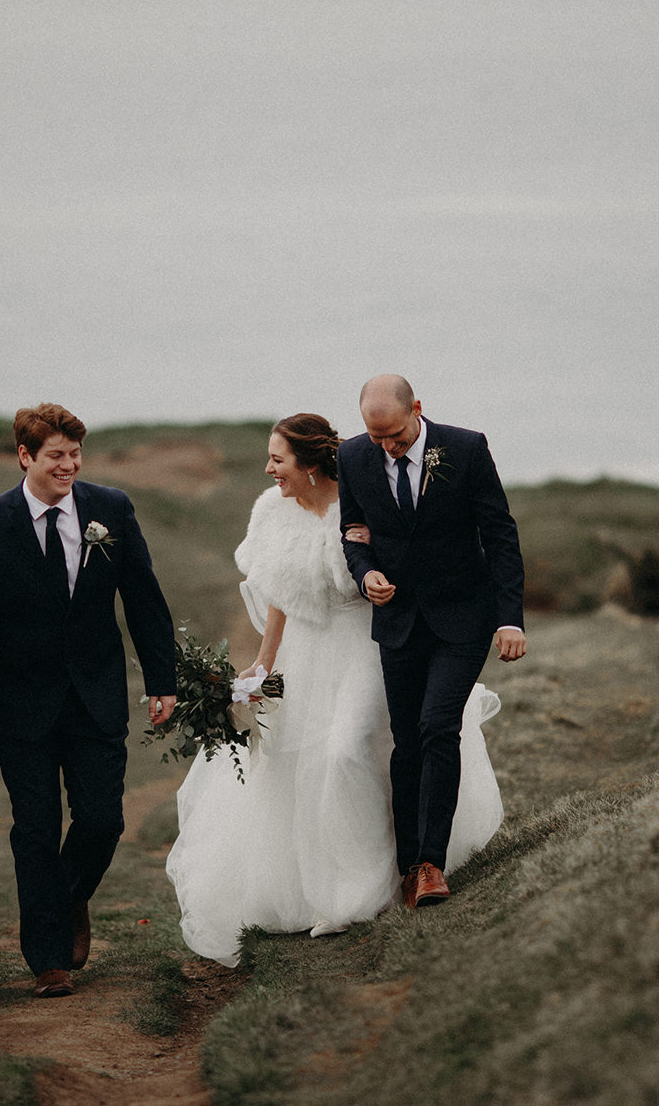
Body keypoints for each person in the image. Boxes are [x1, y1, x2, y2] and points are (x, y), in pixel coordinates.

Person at [165, 414, 502, 966]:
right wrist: (263, 666)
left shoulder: (362, 498)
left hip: (367, 644)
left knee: (347, 750)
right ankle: (330, 888)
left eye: (278, 459)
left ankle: (373, 885)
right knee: (301, 766)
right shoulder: (269, 511)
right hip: (303, 652)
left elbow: (405, 559)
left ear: (310, 463)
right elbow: (276, 595)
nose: (269, 468)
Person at [0, 404, 178, 999]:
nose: (69, 466)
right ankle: (48, 956)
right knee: (36, 824)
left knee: (103, 821)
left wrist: (162, 679)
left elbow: (143, 597)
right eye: (56, 457)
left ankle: (66, 900)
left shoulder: (111, 510)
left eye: (75, 455)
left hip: (95, 694)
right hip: (18, 700)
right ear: (25, 457)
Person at [338, 375, 527, 909]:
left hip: (463, 617)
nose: (387, 448)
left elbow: (500, 534)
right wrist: (365, 573)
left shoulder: (465, 448)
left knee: (438, 726)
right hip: (398, 621)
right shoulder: (353, 457)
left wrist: (508, 619)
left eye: (395, 436)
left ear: (417, 410)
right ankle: (408, 863)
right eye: (376, 438)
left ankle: (432, 866)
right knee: (407, 742)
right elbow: (352, 528)